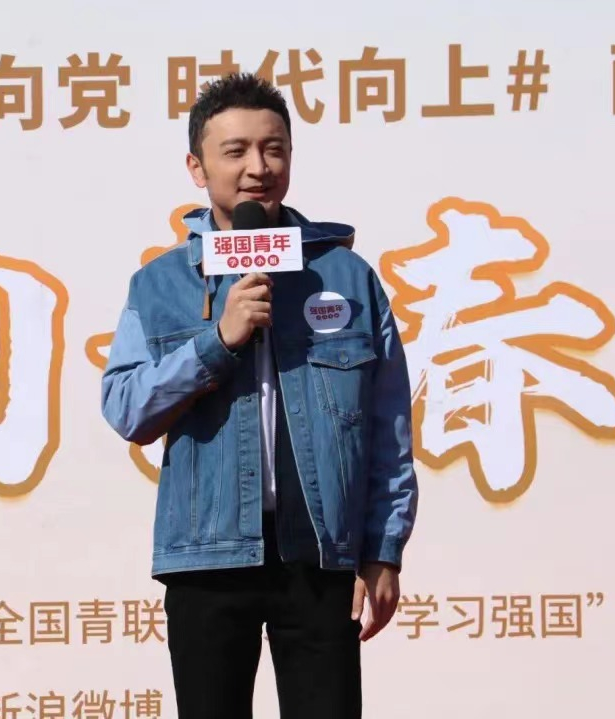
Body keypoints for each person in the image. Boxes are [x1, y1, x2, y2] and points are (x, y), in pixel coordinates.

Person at [100, 72, 418, 719]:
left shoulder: (347, 277)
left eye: (274, 149)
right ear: (197, 166)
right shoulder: (159, 284)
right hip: (208, 558)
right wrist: (217, 340)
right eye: (236, 150)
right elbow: (128, 408)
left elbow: (388, 426)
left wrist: (383, 549)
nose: (258, 168)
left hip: (321, 557)